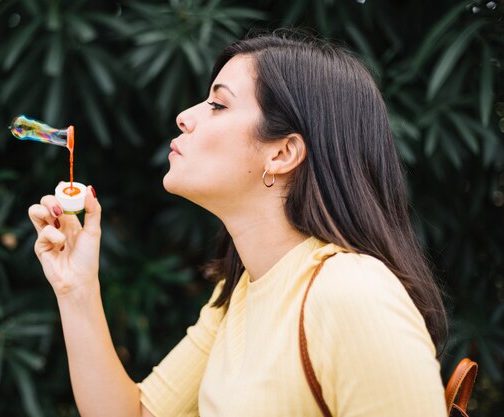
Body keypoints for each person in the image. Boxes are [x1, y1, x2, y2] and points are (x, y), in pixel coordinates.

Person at [28, 32, 449, 417]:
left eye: (218, 104)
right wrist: (76, 289)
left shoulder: (353, 294)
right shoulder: (242, 293)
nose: (184, 116)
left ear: (282, 154)